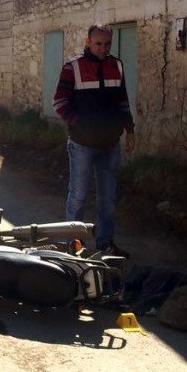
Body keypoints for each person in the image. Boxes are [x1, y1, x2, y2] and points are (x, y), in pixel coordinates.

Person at [53, 24, 136, 257]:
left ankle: (105, 243)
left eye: (107, 44)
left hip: (110, 144)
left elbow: (123, 103)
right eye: (98, 43)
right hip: (82, 144)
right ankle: (73, 246)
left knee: (107, 198)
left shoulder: (116, 65)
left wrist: (130, 130)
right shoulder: (73, 67)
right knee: (78, 196)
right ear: (88, 41)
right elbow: (59, 102)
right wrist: (78, 123)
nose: (103, 48)